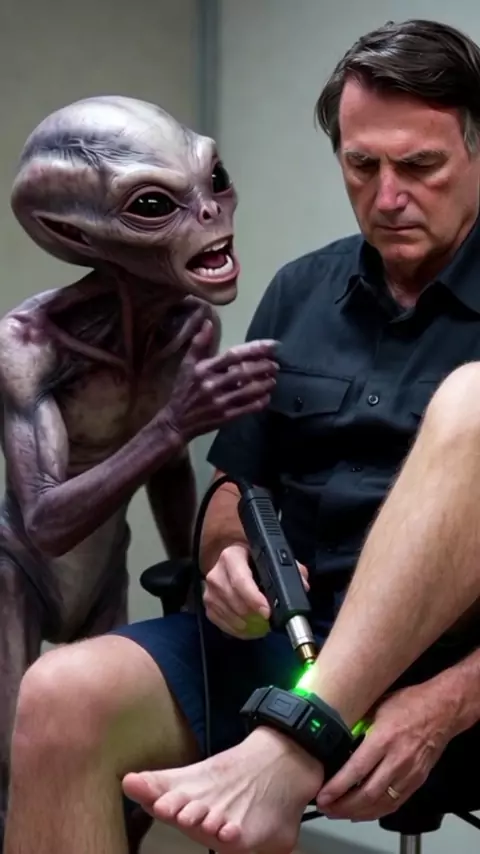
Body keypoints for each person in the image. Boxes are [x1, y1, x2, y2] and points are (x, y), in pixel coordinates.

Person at [6, 16, 480, 854]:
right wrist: (228, 557)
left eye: (419, 167)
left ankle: (298, 737)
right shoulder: (300, 290)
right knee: (61, 693)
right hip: (284, 647)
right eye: (361, 165)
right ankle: (296, 732)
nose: (387, 196)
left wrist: (450, 701)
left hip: (458, 681)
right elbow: (236, 486)